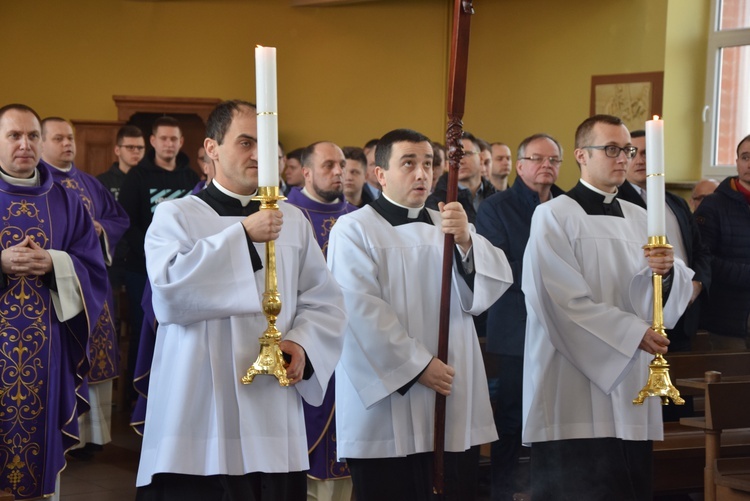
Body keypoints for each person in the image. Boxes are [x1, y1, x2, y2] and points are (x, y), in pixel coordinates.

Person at [135, 99, 346, 501]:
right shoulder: (175, 215)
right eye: (246, 142)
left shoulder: (294, 222)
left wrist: (302, 344)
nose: (258, 154)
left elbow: (326, 302)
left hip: (271, 402)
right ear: (212, 148)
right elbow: (168, 294)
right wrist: (243, 238)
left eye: (266, 144)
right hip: (198, 408)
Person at [329, 128, 513, 501]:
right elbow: (360, 310)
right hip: (389, 400)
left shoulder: (447, 225)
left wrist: (466, 241)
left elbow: (487, 289)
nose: (422, 174)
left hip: (451, 394)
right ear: (380, 174)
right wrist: (417, 366)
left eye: (428, 164)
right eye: (408, 163)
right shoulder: (354, 229)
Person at [521, 115, 694, 500]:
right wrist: (633, 334)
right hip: (571, 380)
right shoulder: (553, 215)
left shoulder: (642, 217)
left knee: (627, 483)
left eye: (627, 150)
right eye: (611, 149)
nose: (623, 158)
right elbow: (558, 300)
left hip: (633, 376)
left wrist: (666, 275)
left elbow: (670, 285)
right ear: (582, 155)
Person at [0, 103, 107, 500]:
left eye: (32, 136)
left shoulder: (65, 200)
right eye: (14, 135)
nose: (25, 144)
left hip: (48, 348)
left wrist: (54, 261)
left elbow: (94, 269)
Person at [475, 133, 565, 501]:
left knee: (558, 414)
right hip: (516, 327)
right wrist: (557, 275)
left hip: (561, 327)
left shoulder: (567, 206)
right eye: (538, 159)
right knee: (512, 417)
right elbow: (499, 266)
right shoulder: (496, 207)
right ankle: (503, 492)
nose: (547, 165)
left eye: (554, 160)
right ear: (521, 165)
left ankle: (549, 489)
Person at [40, 116, 130, 455]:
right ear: (42, 143)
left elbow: (118, 218)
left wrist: (101, 229)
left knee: (97, 355)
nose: (68, 144)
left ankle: (92, 436)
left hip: (91, 286)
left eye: (71, 138)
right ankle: (61, 434)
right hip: (52, 290)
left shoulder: (90, 184)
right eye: (59, 138)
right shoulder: (36, 183)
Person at [286, 140, 357, 501]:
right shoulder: (284, 217)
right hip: (307, 346)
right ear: (306, 172)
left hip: (356, 348)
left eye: (342, 165)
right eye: (329, 165)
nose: (338, 172)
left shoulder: (359, 218)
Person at [118, 116, 199, 404]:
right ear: (153, 142)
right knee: (144, 331)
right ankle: (136, 398)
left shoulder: (191, 178)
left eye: (174, 139)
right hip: (144, 269)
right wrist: (158, 252)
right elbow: (127, 222)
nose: (169, 144)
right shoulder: (137, 177)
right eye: (163, 138)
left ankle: (174, 397)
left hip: (186, 269)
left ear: (181, 142)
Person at [617, 129, 711, 352]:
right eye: (633, 153)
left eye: (648, 153)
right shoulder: (615, 202)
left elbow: (700, 250)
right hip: (642, 314)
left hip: (685, 311)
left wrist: (696, 285)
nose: (640, 160)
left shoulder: (675, 203)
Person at [695, 134, 750, 349]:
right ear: (737, 162)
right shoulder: (713, 205)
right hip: (727, 320)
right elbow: (703, 259)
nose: (749, 164)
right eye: (745, 157)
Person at [427, 131, 496, 224]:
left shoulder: (497, 197)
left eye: (466, 154)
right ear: (447, 164)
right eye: (453, 156)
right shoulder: (436, 202)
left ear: (480, 158)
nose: (460, 161)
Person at [97, 125, 146, 202]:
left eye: (140, 148)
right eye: (130, 147)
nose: (136, 151)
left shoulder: (149, 179)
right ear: (117, 150)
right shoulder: (102, 182)